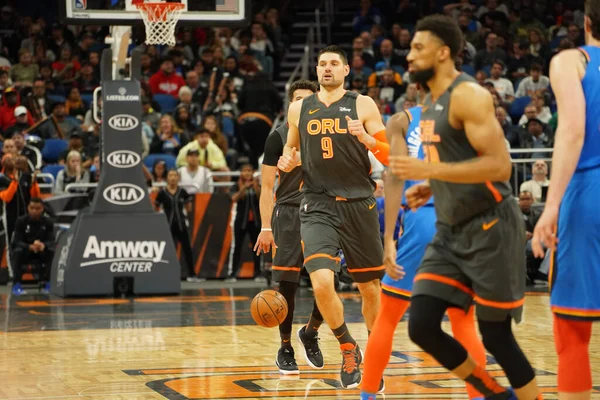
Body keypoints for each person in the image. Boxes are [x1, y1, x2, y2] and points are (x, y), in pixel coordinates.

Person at [388, 15, 542, 399]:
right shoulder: (428, 98)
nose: (408, 55)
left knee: (496, 336)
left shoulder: (469, 95)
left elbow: (499, 166)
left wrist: (428, 169)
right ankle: (495, 394)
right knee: (421, 325)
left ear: (443, 53)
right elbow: (459, 160)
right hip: (450, 229)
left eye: (417, 47)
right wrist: (431, 184)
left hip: (490, 225)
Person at [278, 45, 389, 389]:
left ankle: (376, 356)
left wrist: (365, 137)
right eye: (322, 64)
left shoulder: (363, 104)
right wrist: (288, 161)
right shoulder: (299, 108)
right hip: (317, 205)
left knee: (370, 287)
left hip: (359, 203)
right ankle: (346, 346)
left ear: (345, 71)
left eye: (333, 64)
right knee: (322, 281)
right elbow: (291, 149)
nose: (327, 68)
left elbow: (389, 153)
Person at [361, 102, 486, 400]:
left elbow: (394, 176)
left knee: (388, 316)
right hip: (462, 222)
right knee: (463, 320)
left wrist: (389, 238)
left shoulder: (404, 119)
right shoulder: (468, 112)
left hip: (423, 218)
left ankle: (367, 394)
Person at [532, 2, 600, 398]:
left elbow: (573, 130)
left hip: (589, 191)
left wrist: (553, 204)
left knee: (572, 331)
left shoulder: (572, 61)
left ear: (586, 23)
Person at [254, 79, 325, 375]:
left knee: (328, 283)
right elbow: (267, 186)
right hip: (288, 214)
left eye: (308, 99)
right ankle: (285, 347)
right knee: (287, 287)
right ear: (290, 104)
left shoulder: (326, 134)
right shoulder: (277, 138)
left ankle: (310, 332)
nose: (302, 104)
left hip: (322, 212)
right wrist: (265, 227)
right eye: (297, 99)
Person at [155, 169, 203, 283]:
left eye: (175, 175)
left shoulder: (182, 192)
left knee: (187, 249)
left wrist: (184, 212)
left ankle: (192, 274)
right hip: (168, 225)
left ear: (178, 178)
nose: (172, 178)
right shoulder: (162, 193)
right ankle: (164, 274)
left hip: (181, 224)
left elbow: (189, 207)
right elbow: (156, 207)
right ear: (167, 178)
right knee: (167, 251)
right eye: (170, 175)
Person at [10, 197, 54, 295]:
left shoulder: (48, 222)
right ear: (28, 208)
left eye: (37, 208)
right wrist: (29, 246)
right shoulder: (21, 221)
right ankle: (16, 285)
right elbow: (17, 241)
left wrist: (43, 245)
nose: (34, 211)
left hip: (40, 250)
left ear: (42, 209)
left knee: (51, 251)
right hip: (26, 250)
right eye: (32, 208)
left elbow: (51, 240)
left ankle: (48, 284)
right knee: (18, 251)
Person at [226, 164, 261, 281]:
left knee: (257, 248)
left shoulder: (257, 185)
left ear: (253, 172)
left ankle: (258, 273)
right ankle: (232, 274)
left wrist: (256, 187)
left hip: (255, 221)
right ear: (240, 173)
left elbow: (262, 198)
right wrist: (243, 188)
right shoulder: (235, 186)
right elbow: (233, 198)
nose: (247, 173)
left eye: (249, 171)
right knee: (237, 247)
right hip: (240, 221)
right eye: (244, 171)